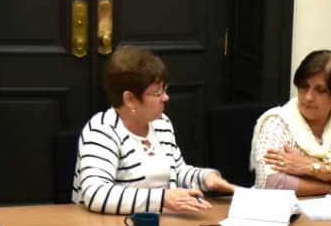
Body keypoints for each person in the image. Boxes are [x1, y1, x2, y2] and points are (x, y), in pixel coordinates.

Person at [72, 46, 238, 214]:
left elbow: (177, 171)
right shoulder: (102, 129)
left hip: (162, 225)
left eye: (164, 90)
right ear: (130, 99)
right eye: (157, 93)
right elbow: (95, 195)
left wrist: (206, 178)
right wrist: (163, 199)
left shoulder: (161, 123)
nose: (165, 98)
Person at [251, 49, 331, 197]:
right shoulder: (276, 122)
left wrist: (309, 166)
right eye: (304, 86)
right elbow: (271, 183)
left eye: (320, 90)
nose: (308, 97)